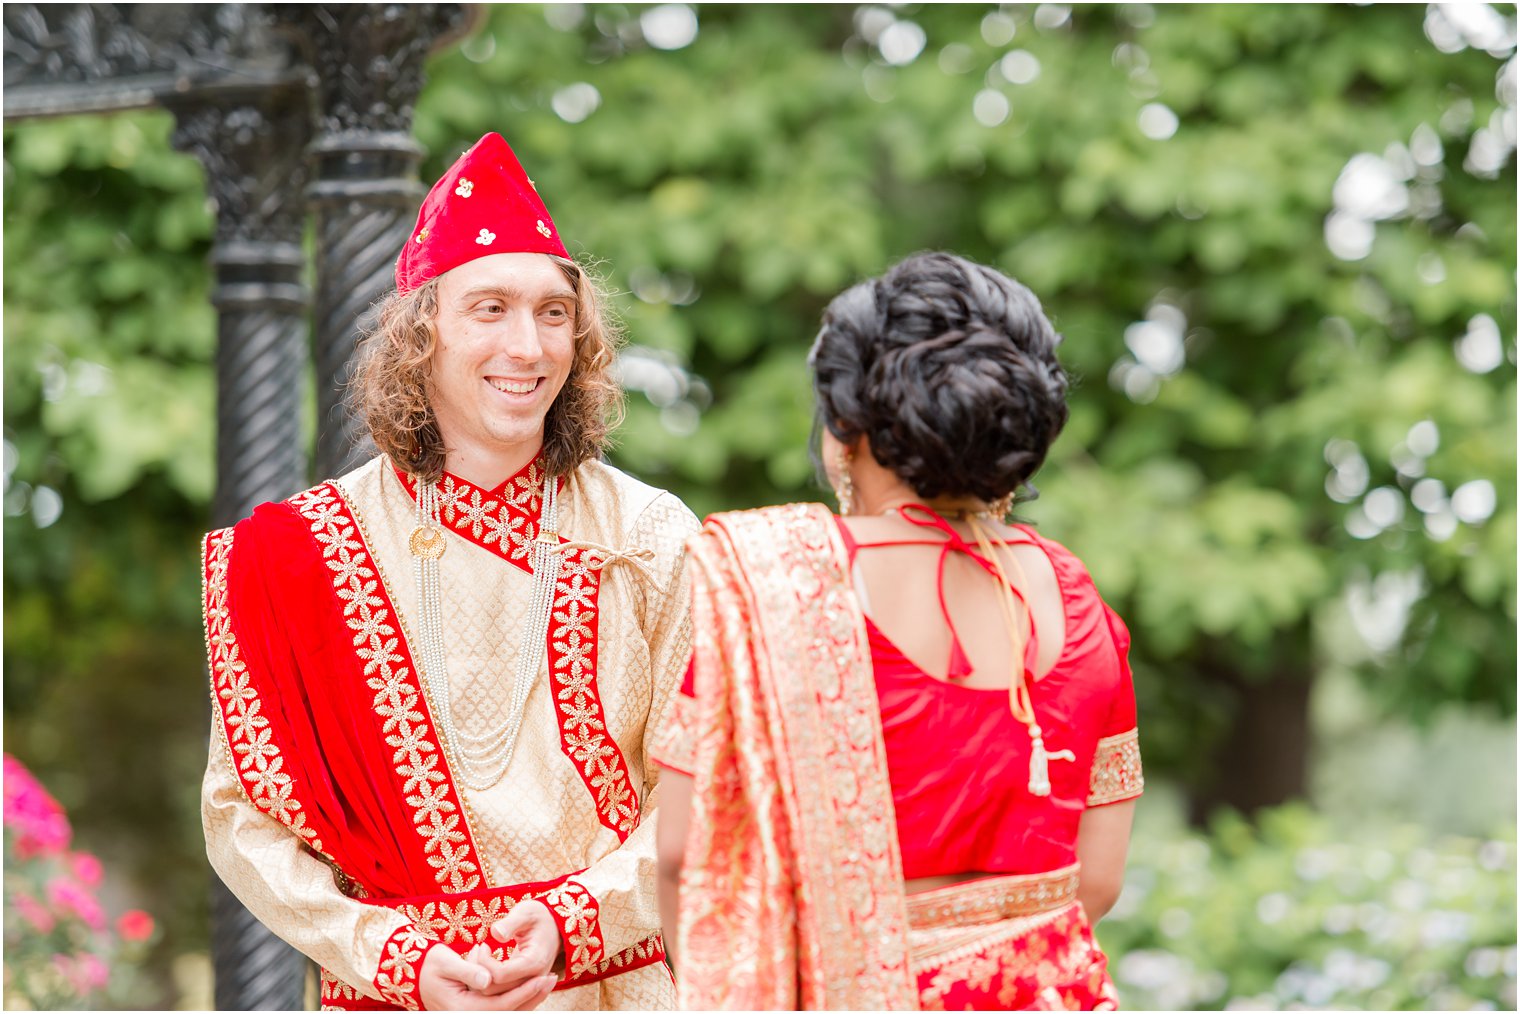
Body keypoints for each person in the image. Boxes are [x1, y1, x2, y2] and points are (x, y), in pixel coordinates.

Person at [201, 132, 698, 1012]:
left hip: (608, 989)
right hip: (399, 995)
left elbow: (709, 787)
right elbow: (244, 817)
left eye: (554, 313)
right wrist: (395, 956)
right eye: (491, 309)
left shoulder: (649, 534)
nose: (529, 345)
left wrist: (572, 922)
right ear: (420, 334)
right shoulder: (305, 551)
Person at [653, 252, 1144, 1010]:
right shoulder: (1076, 596)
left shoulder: (776, 586)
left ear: (844, 430)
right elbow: (1097, 883)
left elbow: (686, 858)